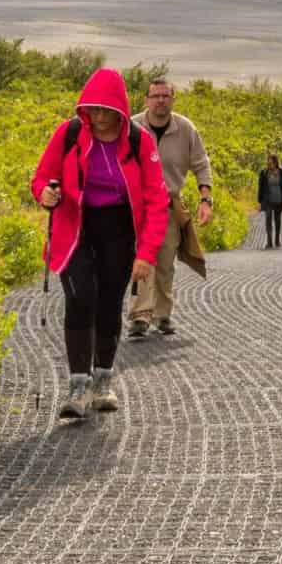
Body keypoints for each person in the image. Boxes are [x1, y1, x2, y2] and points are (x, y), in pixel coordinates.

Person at [32, 67, 168, 419]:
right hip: (75, 226)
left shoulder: (140, 142)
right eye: (93, 109)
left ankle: (103, 381)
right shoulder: (70, 133)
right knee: (80, 298)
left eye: (107, 111)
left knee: (109, 302)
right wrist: (45, 193)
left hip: (119, 229)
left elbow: (157, 200)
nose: (100, 118)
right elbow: (42, 178)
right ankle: (78, 385)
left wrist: (146, 254)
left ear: (121, 111)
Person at [128, 77, 213, 338]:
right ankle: (141, 316)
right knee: (143, 260)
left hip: (167, 204)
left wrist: (205, 199)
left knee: (165, 262)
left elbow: (201, 163)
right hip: (136, 206)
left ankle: (162, 315)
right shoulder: (131, 127)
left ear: (172, 99)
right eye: (155, 96)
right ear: (146, 100)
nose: (160, 100)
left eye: (165, 96)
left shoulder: (185, 128)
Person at [256, 152, 282, 249]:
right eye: (269, 162)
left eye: (272, 162)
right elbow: (260, 187)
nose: (270, 164)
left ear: (276, 162)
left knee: (277, 220)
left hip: (279, 198)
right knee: (268, 218)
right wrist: (260, 202)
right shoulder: (264, 172)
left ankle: (277, 240)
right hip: (267, 199)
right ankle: (269, 242)